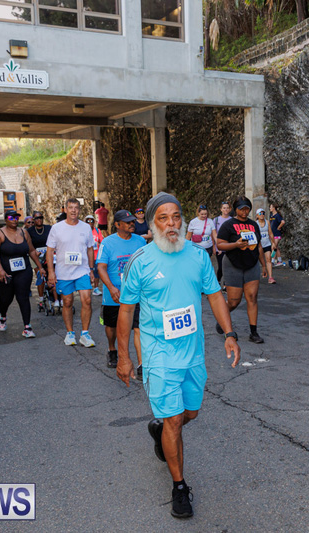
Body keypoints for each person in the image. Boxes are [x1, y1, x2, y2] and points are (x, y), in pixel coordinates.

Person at [115, 192, 241, 519]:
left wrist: (230, 334)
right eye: (163, 218)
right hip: (158, 355)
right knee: (174, 420)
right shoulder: (140, 261)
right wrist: (123, 356)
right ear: (152, 224)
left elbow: (214, 296)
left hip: (193, 353)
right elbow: (126, 311)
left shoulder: (197, 256)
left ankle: (161, 431)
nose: (171, 224)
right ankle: (179, 487)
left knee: (189, 415)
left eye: (175, 217)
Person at [96, 210, 145, 370]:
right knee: (112, 326)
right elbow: (101, 267)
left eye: (132, 221)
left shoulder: (140, 241)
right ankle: (112, 350)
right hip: (114, 294)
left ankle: (141, 363)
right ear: (117, 224)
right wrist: (111, 288)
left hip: (136, 292)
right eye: (128, 222)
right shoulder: (107, 243)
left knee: (138, 327)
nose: (132, 224)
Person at [46, 198, 97, 347]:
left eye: (76, 207)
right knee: (67, 302)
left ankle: (85, 334)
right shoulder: (57, 228)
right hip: (64, 272)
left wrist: (91, 269)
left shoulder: (86, 228)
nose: (73, 210)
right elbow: (49, 251)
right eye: (71, 207)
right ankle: (70, 333)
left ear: (79, 210)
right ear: (66, 209)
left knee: (87, 300)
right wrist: (51, 272)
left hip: (82, 270)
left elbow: (90, 249)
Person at [216, 196, 266, 344]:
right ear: (235, 210)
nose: (244, 212)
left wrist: (264, 265)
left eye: (247, 209)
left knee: (252, 297)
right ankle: (221, 318)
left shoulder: (253, 225)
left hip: (251, 264)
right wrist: (236, 245)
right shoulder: (228, 225)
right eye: (241, 209)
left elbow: (259, 246)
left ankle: (254, 332)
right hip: (233, 264)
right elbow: (220, 244)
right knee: (234, 301)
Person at [0, 210, 45, 338]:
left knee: (23, 297)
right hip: (5, 271)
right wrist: (0, 269)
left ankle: (27, 327)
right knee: (6, 298)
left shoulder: (24, 232)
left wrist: (40, 267)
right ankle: (3, 316)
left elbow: (31, 251)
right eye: (11, 217)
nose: (14, 220)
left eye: (16, 217)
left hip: (23, 270)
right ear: (5, 219)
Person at [26, 211, 53, 310]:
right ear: (34, 220)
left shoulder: (48, 228)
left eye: (40, 217)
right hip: (35, 255)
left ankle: (53, 295)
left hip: (48, 255)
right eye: (37, 218)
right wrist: (34, 251)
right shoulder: (29, 231)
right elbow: (27, 244)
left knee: (51, 274)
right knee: (41, 275)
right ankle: (41, 299)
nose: (39, 220)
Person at [213, 202, 232, 288]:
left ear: (230, 209)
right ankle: (218, 281)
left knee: (228, 267)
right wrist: (215, 246)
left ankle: (225, 284)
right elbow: (213, 234)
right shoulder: (216, 220)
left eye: (227, 208)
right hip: (219, 248)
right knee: (221, 267)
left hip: (230, 247)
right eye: (224, 208)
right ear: (221, 209)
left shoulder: (232, 220)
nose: (226, 209)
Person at [255, 208, 276, 284]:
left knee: (268, 260)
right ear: (257, 215)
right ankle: (263, 271)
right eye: (260, 213)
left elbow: (270, 233)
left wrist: (273, 243)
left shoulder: (267, 222)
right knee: (260, 261)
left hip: (267, 243)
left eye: (263, 213)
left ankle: (270, 277)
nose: (262, 215)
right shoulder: (255, 224)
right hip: (259, 245)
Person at [86, 214, 105, 296]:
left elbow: (102, 241)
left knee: (97, 272)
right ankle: (87, 288)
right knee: (87, 272)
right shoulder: (83, 231)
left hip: (96, 255)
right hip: (86, 256)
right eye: (88, 221)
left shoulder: (97, 231)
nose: (90, 222)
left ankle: (96, 288)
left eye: (91, 221)